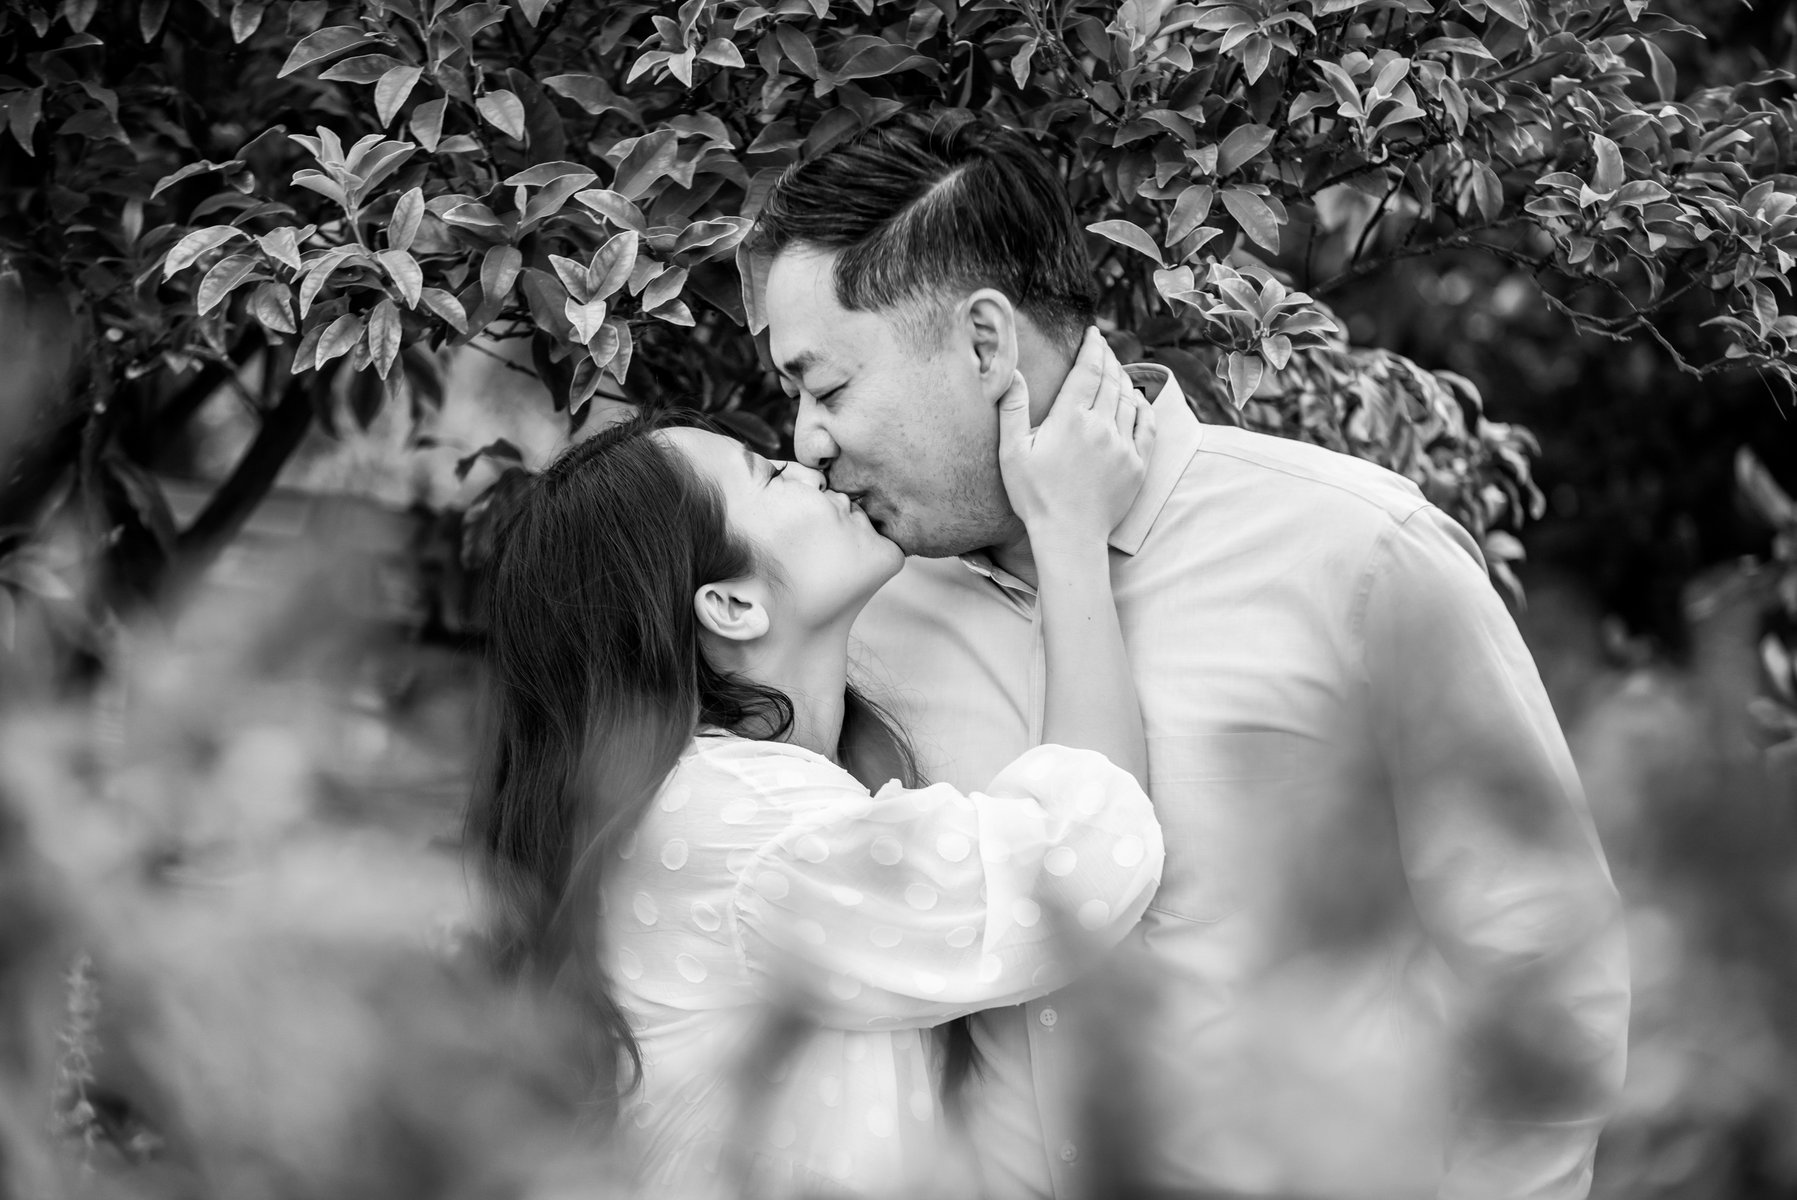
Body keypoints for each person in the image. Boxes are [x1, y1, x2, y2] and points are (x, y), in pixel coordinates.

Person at [749, 109, 1632, 1200]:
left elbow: (1542, 954)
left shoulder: (1357, 553)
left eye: (828, 388)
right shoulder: (863, 619)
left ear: (984, 344)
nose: (807, 440)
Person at [463, 364, 1166, 1198]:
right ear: (731, 606)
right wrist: (1071, 534)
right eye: (765, 476)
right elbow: (1072, 870)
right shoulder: (748, 824)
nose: (804, 462)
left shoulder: (723, 794)